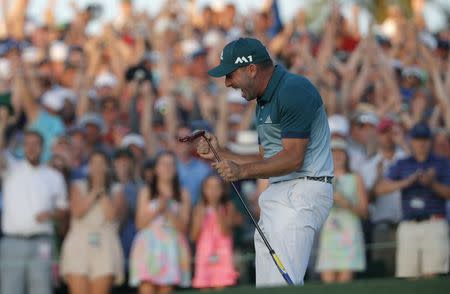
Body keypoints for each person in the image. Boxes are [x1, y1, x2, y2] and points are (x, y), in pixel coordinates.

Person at [197, 37, 334, 286]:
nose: (227, 83)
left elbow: (293, 159)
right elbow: (266, 159)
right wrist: (221, 152)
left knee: (284, 283)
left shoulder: (293, 89)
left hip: (302, 190)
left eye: (230, 75)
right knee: (270, 285)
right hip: (281, 192)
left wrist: (242, 171)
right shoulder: (263, 100)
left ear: (251, 69)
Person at [0, 116, 68, 294]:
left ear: (42, 147)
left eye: (36, 144)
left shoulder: (54, 176)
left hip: (41, 242)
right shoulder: (12, 169)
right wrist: (2, 125)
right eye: (28, 144)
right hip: (13, 241)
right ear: (23, 147)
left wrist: (51, 215)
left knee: (42, 290)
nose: (31, 148)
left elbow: (63, 210)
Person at [375, 123, 450, 278]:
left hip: (434, 222)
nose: (421, 143)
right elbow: (380, 188)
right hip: (409, 224)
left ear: (430, 141)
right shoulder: (403, 163)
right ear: (411, 141)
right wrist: (407, 182)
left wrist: (432, 183)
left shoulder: (441, 163)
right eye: (417, 139)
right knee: (408, 276)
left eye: (424, 139)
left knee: (433, 275)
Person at [60, 150, 125, 294]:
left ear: (108, 167)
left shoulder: (117, 189)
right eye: (94, 163)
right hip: (79, 244)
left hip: (106, 245)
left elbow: (111, 215)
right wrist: (94, 191)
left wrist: (102, 191)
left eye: (102, 164)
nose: (97, 168)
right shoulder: (77, 186)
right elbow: (77, 212)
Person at [129, 151, 191, 294]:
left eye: (171, 164)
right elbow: (139, 224)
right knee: (146, 287)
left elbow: (184, 227)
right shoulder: (146, 191)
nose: (167, 168)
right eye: (163, 164)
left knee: (166, 289)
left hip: (172, 246)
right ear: (156, 168)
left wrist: (168, 210)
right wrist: (158, 208)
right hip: (148, 246)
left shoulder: (183, 193)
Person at [316, 139, 368, 283]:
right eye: (333, 152)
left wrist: (346, 203)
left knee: (345, 284)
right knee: (327, 284)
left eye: (340, 152)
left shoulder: (356, 178)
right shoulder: (321, 179)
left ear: (346, 155)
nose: (337, 156)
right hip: (329, 234)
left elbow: (364, 212)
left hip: (349, 235)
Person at [191, 174, 241, 289]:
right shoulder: (198, 208)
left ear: (222, 190)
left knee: (221, 285)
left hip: (223, 254)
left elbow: (226, 231)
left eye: (217, 187)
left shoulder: (228, 207)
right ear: (203, 190)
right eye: (209, 187)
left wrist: (217, 209)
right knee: (204, 285)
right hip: (204, 255)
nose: (213, 191)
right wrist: (200, 218)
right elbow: (194, 236)